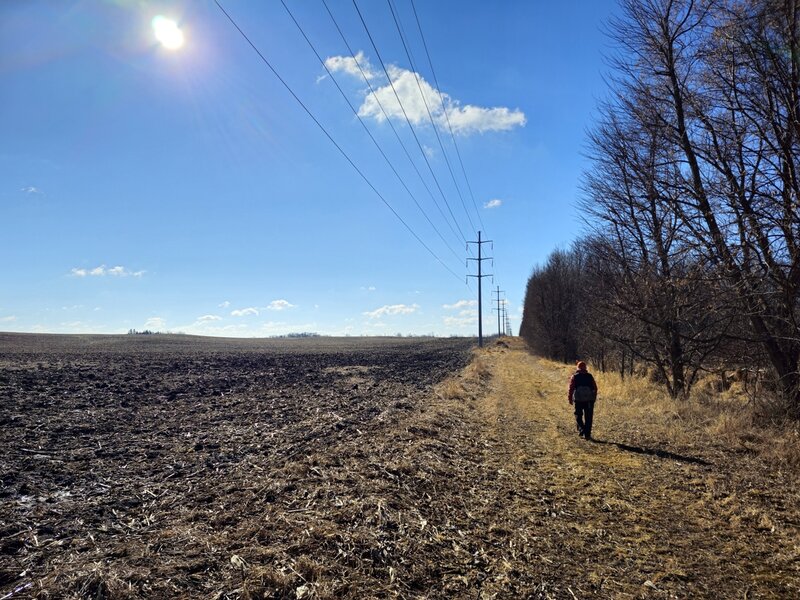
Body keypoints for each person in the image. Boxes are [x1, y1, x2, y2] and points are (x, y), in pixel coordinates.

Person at [568, 361, 598, 440]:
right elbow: (595, 388)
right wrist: (594, 398)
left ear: (578, 368)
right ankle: (587, 434)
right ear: (585, 367)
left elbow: (571, 388)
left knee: (578, 415)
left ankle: (582, 429)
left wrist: (570, 398)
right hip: (589, 400)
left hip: (578, 400)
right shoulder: (590, 376)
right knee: (589, 417)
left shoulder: (575, 376)